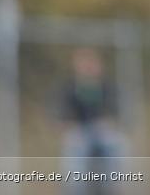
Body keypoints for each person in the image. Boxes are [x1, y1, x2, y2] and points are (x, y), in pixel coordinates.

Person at [57, 49, 127, 195]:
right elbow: (61, 118)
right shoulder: (68, 89)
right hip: (79, 132)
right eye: (84, 64)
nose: (88, 68)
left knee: (116, 144)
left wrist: (109, 123)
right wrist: (70, 126)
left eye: (92, 64)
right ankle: (75, 190)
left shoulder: (108, 88)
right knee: (76, 145)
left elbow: (118, 114)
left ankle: (113, 188)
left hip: (103, 132)